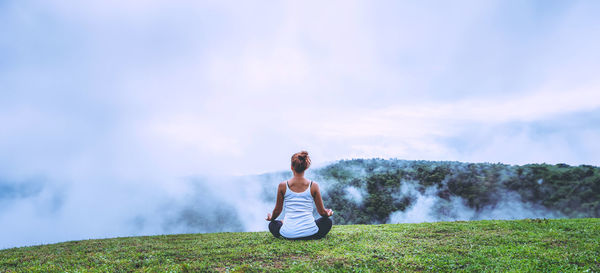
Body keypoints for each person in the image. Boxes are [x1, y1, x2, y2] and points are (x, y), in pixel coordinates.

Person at [266, 151, 334, 240]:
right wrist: (328, 213)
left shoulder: (282, 186)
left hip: (288, 234)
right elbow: (322, 213)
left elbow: (277, 210)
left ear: (291, 167)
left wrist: (271, 218)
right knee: (327, 221)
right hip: (311, 233)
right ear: (306, 168)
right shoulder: (314, 185)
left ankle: (286, 224)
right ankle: (306, 228)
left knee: (272, 224)